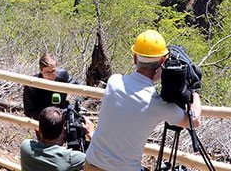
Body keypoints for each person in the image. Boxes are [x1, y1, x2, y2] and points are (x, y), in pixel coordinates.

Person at [85, 29, 201, 171]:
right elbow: (194, 121)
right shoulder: (158, 104)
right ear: (163, 61)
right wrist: (194, 90)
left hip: (91, 164)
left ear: (135, 58)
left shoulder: (114, 81)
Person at [20, 106, 94, 171]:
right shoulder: (70, 158)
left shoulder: (25, 146)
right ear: (63, 129)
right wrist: (91, 133)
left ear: (39, 129)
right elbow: (99, 159)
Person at [23, 53, 82, 120]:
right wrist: (50, 116)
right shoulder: (32, 85)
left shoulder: (62, 76)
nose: (51, 76)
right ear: (41, 71)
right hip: (43, 119)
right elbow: (29, 111)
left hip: (62, 113)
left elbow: (78, 85)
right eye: (47, 72)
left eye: (53, 71)